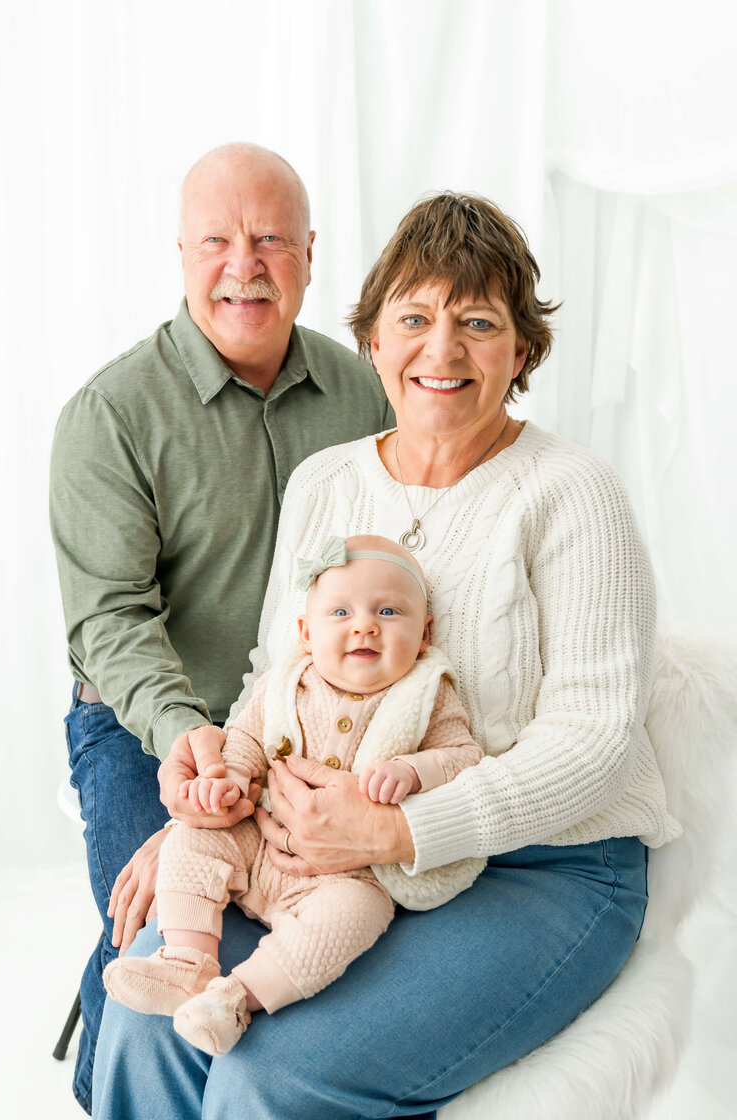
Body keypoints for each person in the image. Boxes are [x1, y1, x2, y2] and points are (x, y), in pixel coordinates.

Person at [92, 192, 681, 1120]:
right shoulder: (326, 483)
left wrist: (404, 834)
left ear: (521, 351)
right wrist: (221, 797)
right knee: (137, 1026)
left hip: (544, 869)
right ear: (373, 341)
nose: (440, 352)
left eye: (478, 323)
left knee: (270, 1074)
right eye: (415, 318)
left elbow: (596, 740)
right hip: (319, 856)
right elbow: (274, 680)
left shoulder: (573, 495)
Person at [49, 143, 392, 1113]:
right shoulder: (109, 416)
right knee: (151, 930)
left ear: (311, 256)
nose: (244, 263)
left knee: (310, 931)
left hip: (293, 724)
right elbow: (112, 620)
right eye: (218, 240)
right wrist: (191, 769)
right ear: (180, 252)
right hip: (143, 721)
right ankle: (102, 1083)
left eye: (271, 239)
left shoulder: (360, 393)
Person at [102, 535, 484, 1055]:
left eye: (389, 611)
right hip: (254, 840)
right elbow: (244, 740)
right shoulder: (285, 684)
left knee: (356, 917)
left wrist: (414, 771)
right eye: (341, 611)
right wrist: (228, 782)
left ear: (424, 634)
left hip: (346, 874)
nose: (365, 625)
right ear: (305, 633)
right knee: (189, 842)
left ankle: (235, 998)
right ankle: (186, 962)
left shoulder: (426, 695)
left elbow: (464, 756)